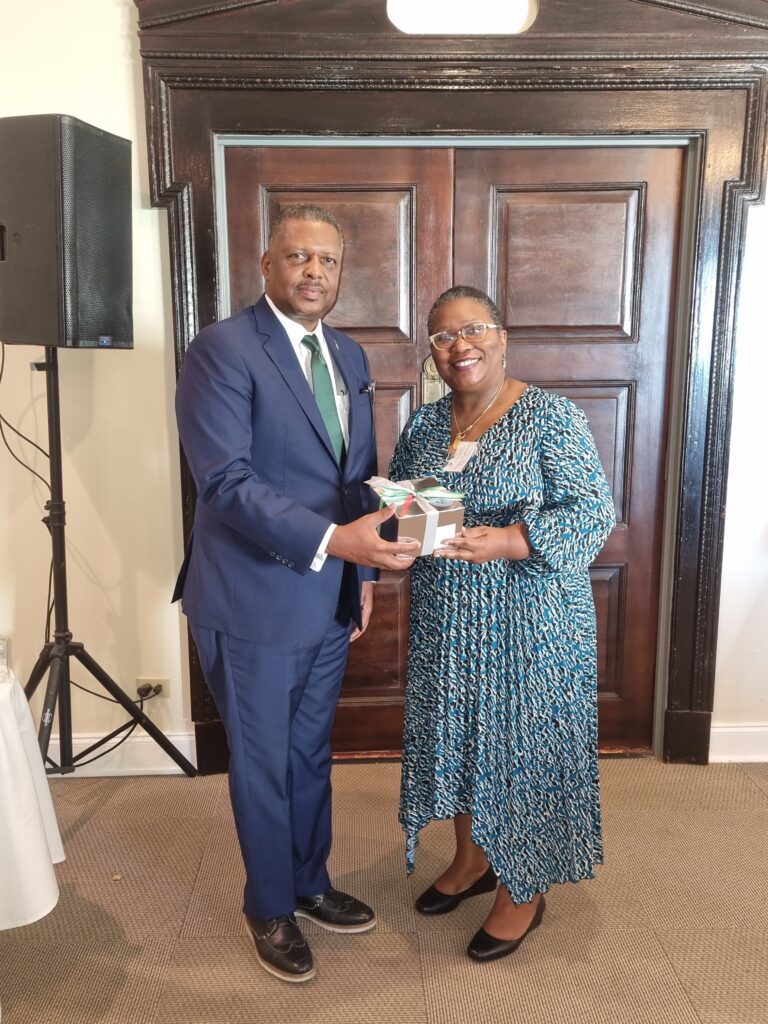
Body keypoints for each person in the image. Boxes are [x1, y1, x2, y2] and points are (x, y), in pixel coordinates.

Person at [174, 203, 419, 983]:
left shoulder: (346, 353)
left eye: (328, 260)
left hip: (329, 593)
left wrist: (361, 573)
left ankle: (309, 883)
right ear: (267, 265)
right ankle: (270, 906)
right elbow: (225, 481)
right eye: (298, 257)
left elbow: (356, 477)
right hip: (251, 596)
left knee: (309, 751)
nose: (315, 271)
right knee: (264, 760)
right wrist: (336, 545)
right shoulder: (221, 349)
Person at [389, 285, 615, 962]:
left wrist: (512, 540)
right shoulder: (425, 425)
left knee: (523, 747)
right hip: (446, 617)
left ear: (502, 336)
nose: (460, 346)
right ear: (432, 352)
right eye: (444, 337)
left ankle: (524, 889)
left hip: (531, 619)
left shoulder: (550, 416)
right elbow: (409, 506)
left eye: (474, 330)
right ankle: (472, 860)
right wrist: (401, 531)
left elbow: (592, 513)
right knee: (461, 736)